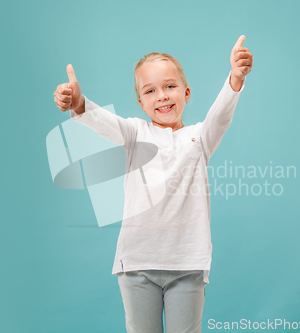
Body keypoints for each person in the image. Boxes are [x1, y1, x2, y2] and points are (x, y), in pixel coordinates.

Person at [53, 35, 253, 333]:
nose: (161, 96)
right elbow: (105, 122)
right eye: (151, 91)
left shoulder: (200, 138)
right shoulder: (135, 133)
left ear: (186, 93)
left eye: (170, 87)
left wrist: (235, 78)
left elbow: (221, 117)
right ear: (141, 103)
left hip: (187, 265)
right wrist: (80, 103)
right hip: (137, 265)